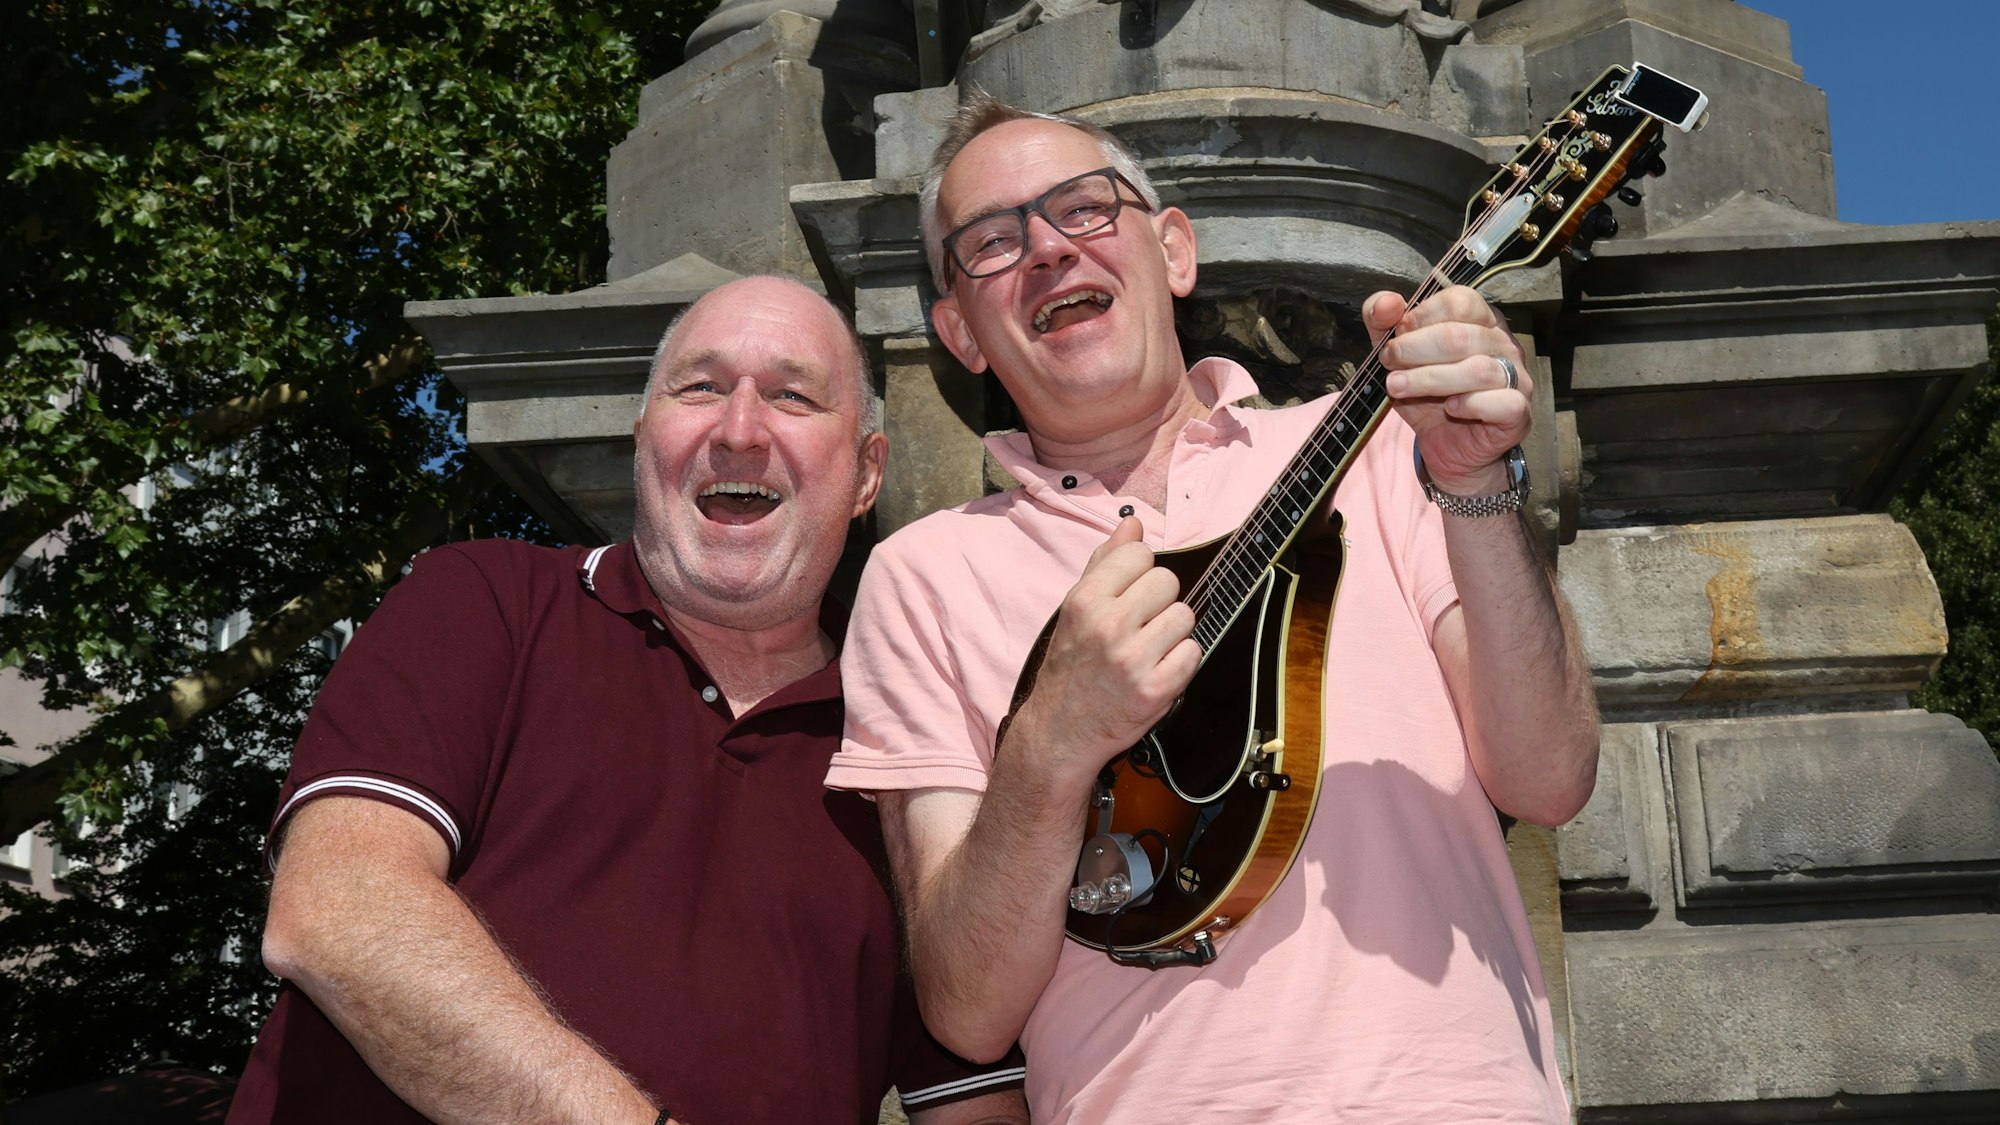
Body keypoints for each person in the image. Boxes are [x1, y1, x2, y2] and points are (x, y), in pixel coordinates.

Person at [826, 97, 1601, 1122]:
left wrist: (1474, 484)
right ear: (960, 334)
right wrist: (1049, 741)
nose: (1049, 251)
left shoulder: (1379, 444)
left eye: (1084, 209)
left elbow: (1548, 776)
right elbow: (966, 1009)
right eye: (991, 242)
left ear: (1173, 251)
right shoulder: (923, 576)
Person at [226, 276, 1028, 1125]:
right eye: (701, 388)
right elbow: (338, 909)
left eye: (792, 396)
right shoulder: (487, 603)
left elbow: (975, 1103)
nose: (740, 429)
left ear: (868, 472)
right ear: (643, 440)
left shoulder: (906, 741)